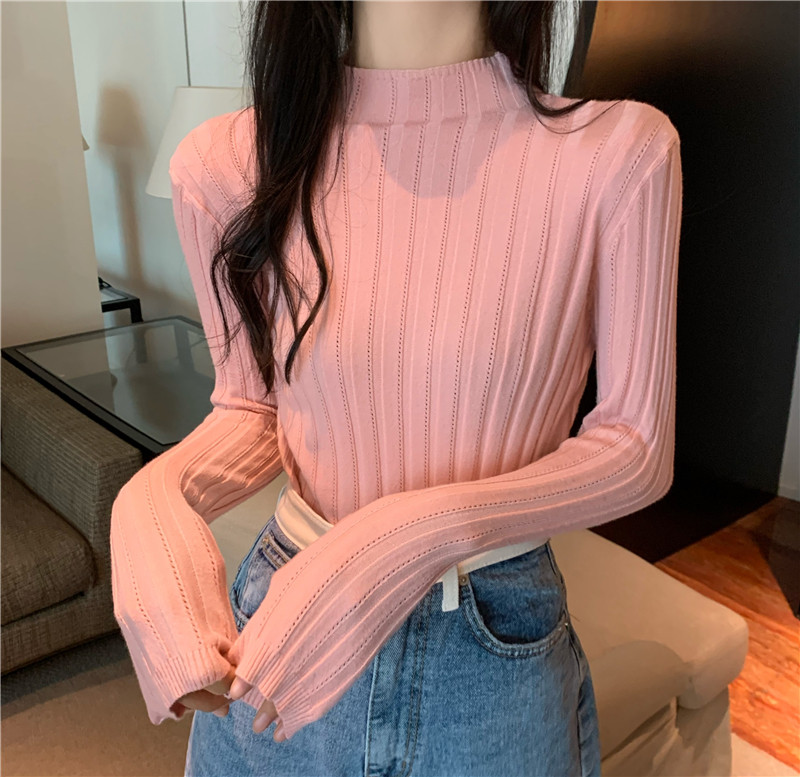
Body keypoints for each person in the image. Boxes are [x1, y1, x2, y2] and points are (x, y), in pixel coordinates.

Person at [109, 1, 683, 775]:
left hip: (488, 652)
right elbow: (253, 404)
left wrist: (405, 538)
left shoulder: (618, 153)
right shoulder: (228, 163)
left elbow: (635, 446)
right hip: (284, 620)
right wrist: (152, 499)